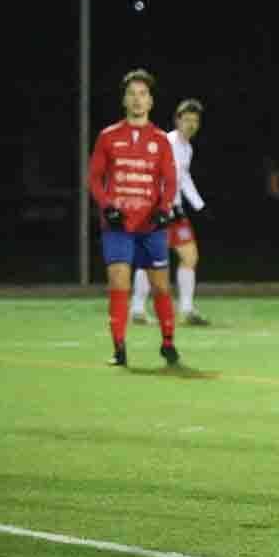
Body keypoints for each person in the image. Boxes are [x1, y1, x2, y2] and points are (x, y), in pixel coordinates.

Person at [88, 70, 181, 367]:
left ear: (150, 101)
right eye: (132, 94)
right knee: (119, 280)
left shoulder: (161, 140)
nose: (137, 99)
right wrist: (107, 207)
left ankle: (168, 342)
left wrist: (164, 209)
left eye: (143, 94)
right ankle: (119, 348)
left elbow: (170, 180)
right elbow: (94, 178)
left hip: (151, 226)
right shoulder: (108, 136)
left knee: (161, 286)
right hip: (118, 226)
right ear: (124, 100)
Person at [133, 99, 211, 326]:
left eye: (195, 121)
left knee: (190, 256)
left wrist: (199, 205)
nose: (191, 125)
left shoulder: (187, 148)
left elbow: (182, 178)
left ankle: (186, 310)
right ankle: (137, 310)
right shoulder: (167, 142)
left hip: (174, 211)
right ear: (177, 121)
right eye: (186, 120)